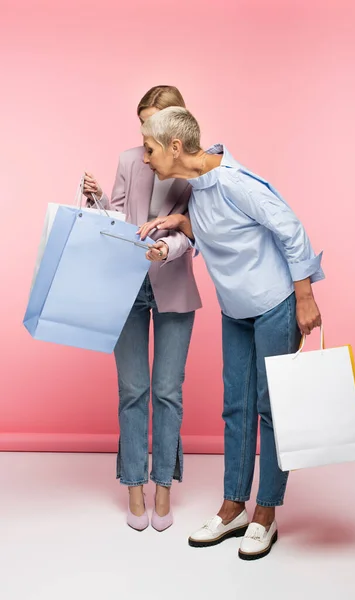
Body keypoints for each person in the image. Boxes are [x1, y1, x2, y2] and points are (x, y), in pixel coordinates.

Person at [138, 106, 324, 559]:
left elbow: (292, 231)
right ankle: (233, 507)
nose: (145, 158)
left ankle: (266, 513)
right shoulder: (196, 188)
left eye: (150, 148)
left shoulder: (236, 182)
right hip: (236, 311)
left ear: (175, 148)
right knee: (235, 408)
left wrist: (304, 298)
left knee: (271, 410)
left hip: (275, 306)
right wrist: (183, 225)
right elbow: (229, 236)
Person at [83, 89, 202, 532]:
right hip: (127, 290)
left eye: (153, 125)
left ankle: (164, 485)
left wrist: (163, 250)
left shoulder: (193, 168)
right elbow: (114, 223)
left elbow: (194, 230)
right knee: (132, 391)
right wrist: (94, 202)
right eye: (142, 125)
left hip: (172, 286)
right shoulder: (130, 160)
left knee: (168, 392)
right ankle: (134, 486)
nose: (145, 135)